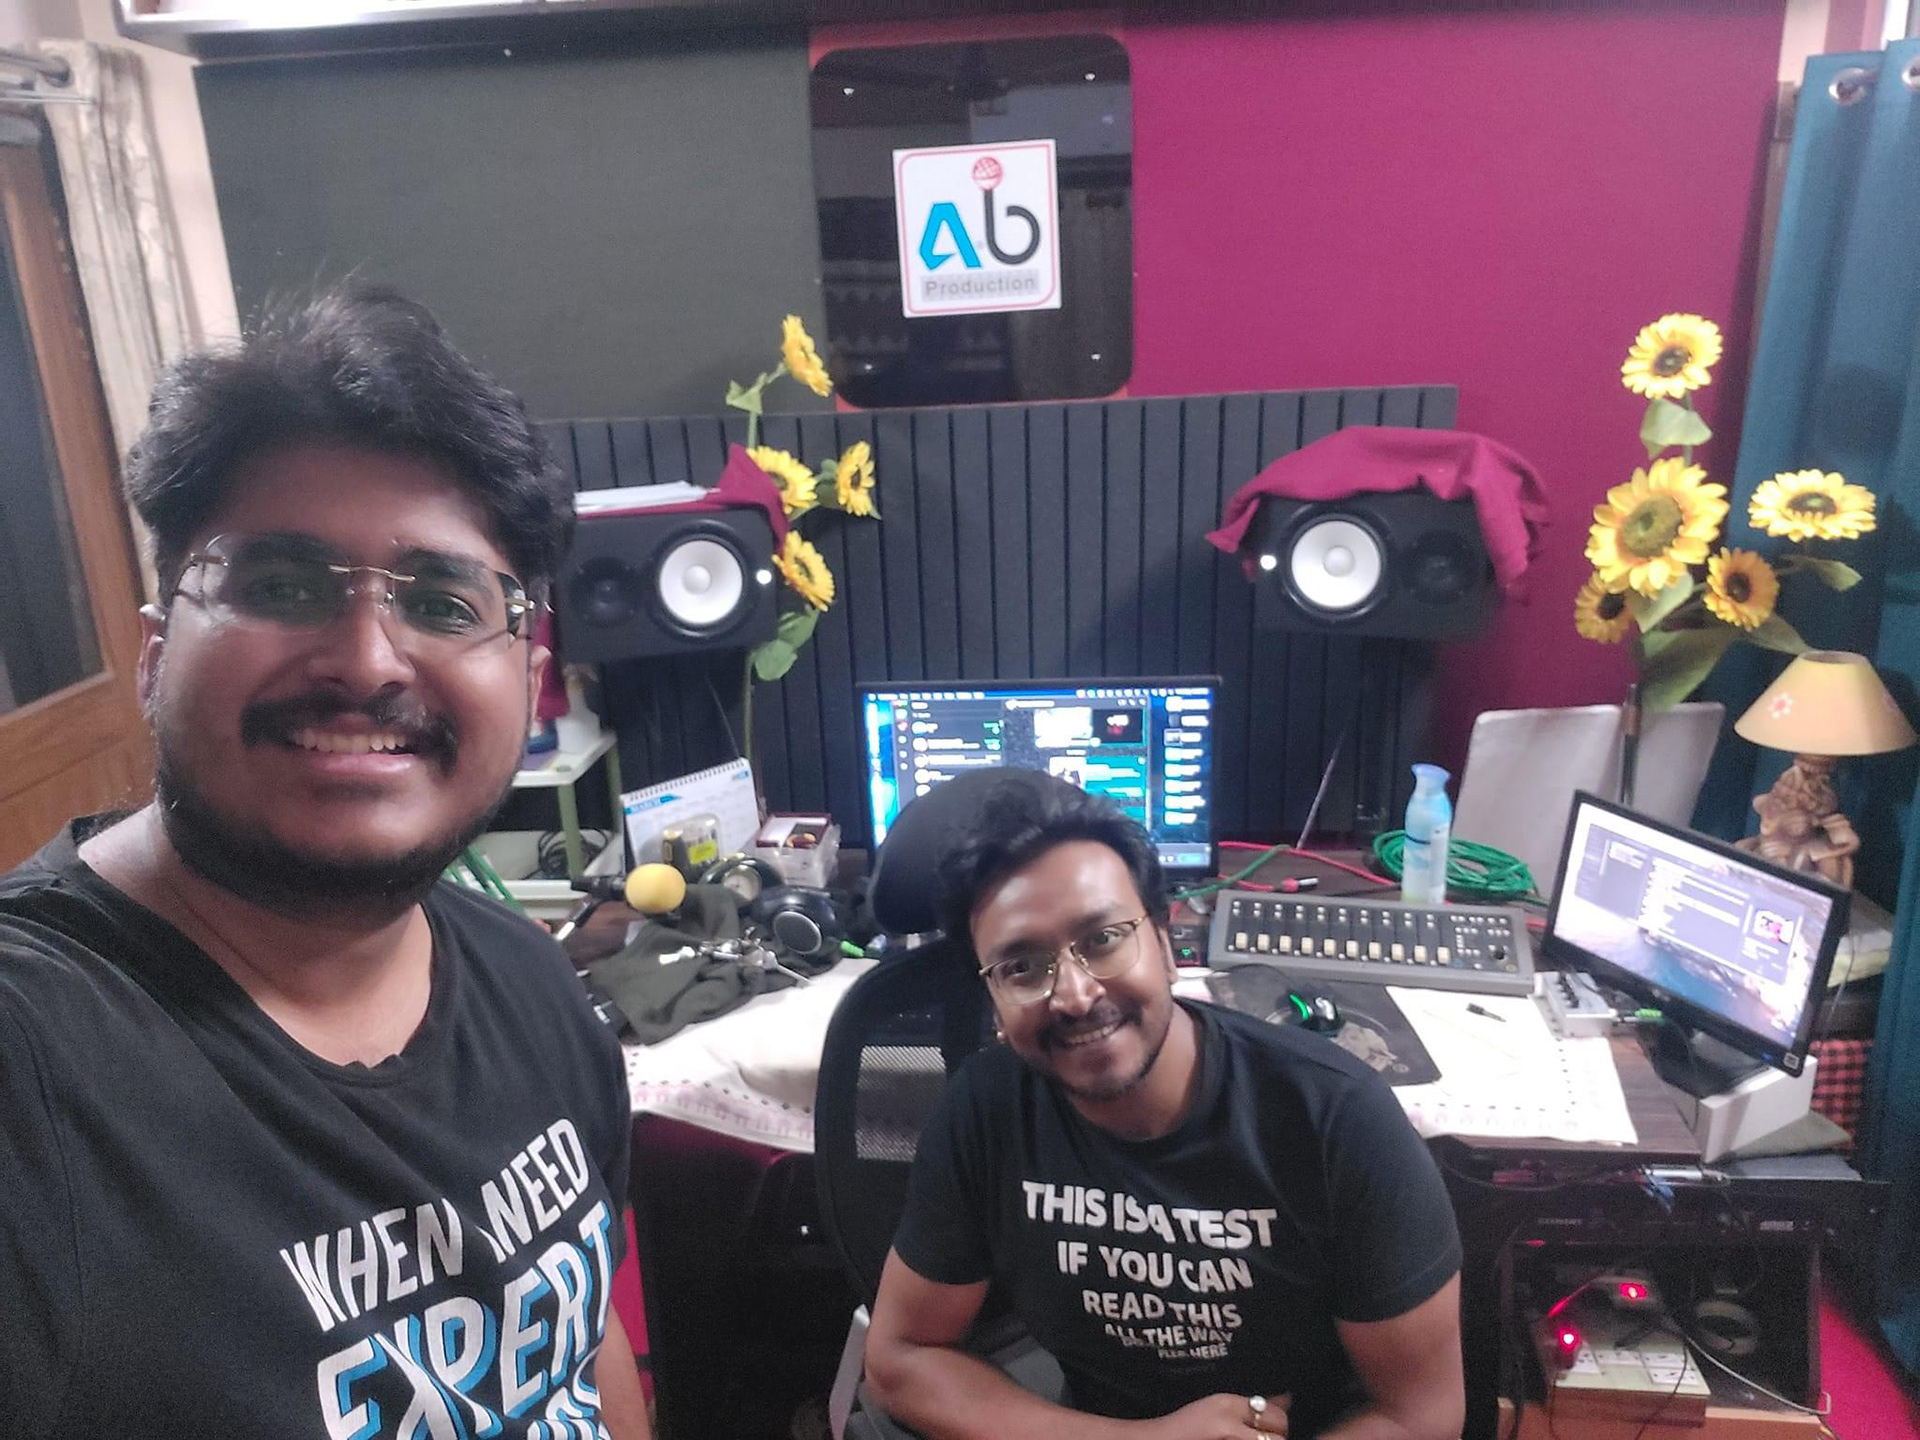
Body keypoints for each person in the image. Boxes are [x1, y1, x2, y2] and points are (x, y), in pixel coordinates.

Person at [0, 288, 652, 1439]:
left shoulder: (535, 985)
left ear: (529, 676)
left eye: (442, 603)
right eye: (280, 587)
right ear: (154, 655)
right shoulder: (35, 1063)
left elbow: (585, 1350)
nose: (365, 662)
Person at [865, 780, 1464, 1440]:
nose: (1074, 994)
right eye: (1022, 968)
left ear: (1166, 944)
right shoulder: (984, 1109)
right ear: (995, 1001)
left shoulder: (1336, 1118)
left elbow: (1419, 1415)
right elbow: (901, 1359)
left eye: (1102, 939)